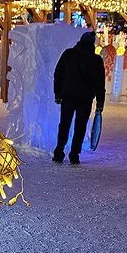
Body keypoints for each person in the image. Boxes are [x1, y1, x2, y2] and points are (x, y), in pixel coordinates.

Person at [53, 31, 106, 165]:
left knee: (64, 124)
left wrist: (57, 93)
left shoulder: (68, 54)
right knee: (80, 127)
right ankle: (74, 154)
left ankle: (59, 152)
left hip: (68, 96)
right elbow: (100, 84)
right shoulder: (96, 60)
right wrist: (100, 103)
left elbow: (58, 73)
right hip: (85, 99)